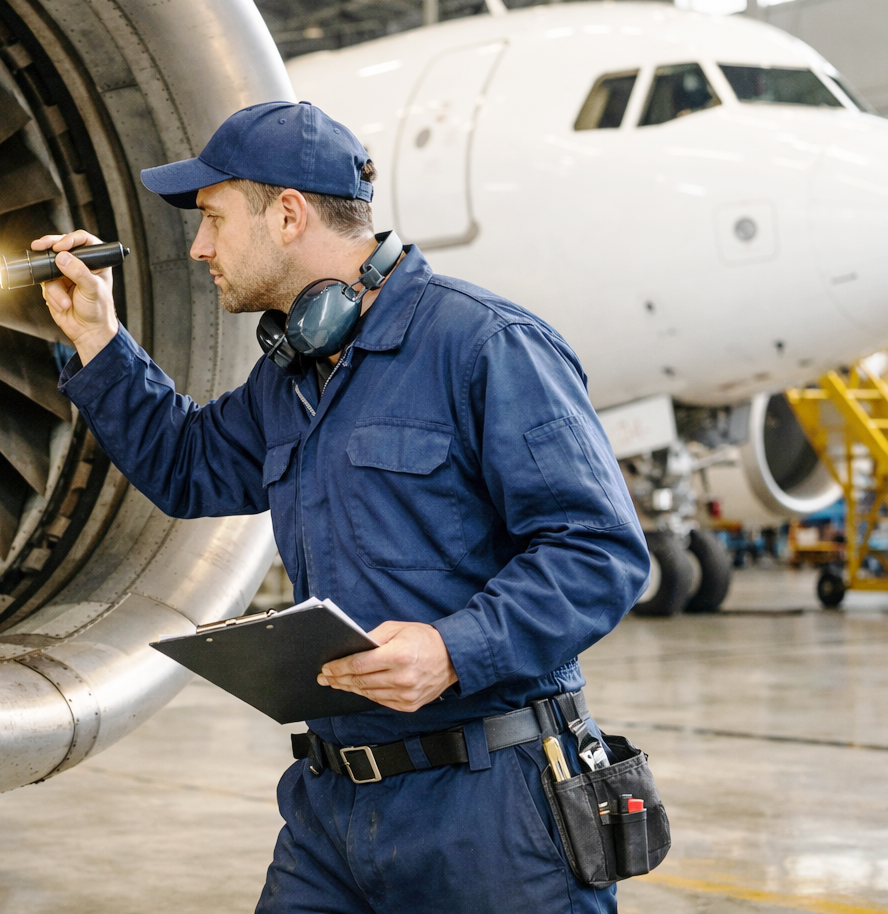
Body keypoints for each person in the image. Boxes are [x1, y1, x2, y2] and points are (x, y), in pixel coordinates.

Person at [34, 100, 648, 913]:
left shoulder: (483, 344)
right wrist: (99, 342)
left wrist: (451, 648)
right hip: (331, 811)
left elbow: (599, 551)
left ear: (287, 215)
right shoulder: (288, 380)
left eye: (214, 218)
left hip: (493, 811)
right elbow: (187, 468)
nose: (199, 247)